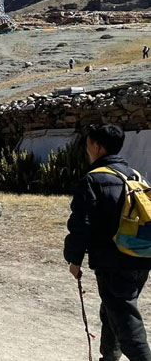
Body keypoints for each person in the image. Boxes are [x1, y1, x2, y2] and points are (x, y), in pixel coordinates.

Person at [65, 124, 151, 361]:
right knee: (113, 311)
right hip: (140, 256)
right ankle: (109, 357)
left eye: (88, 145)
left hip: (112, 262)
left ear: (97, 146)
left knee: (125, 321)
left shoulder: (92, 180)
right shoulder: (135, 175)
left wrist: (74, 259)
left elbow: (80, 225)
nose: (87, 150)